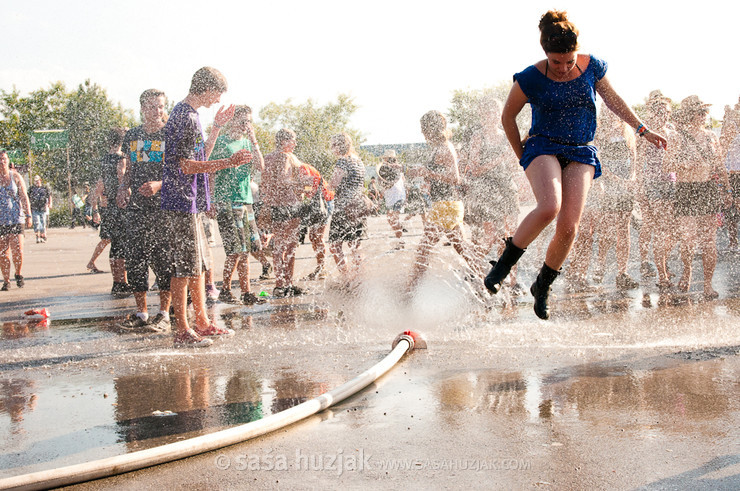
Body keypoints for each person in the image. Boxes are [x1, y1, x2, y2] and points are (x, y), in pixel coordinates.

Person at [484, 10, 667, 319]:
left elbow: (614, 100)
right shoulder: (531, 77)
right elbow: (507, 117)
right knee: (549, 207)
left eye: (569, 61)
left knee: (569, 227)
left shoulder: (592, 66)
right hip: (543, 145)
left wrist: (643, 130)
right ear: (545, 53)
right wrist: (521, 155)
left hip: (581, 150)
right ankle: (502, 266)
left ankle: (542, 285)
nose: (564, 68)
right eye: (556, 62)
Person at [162, 66, 252, 347]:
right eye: (218, 94)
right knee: (183, 267)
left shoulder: (193, 116)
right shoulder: (184, 116)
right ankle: (182, 330)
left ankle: (201, 323)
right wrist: (230, 162)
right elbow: (187, 166)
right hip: (180, 202)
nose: (217, 100)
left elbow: (202, 156)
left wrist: (216, 127)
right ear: (208, 89)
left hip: (191, 202)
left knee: (198, 265)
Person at [114, 89, 173, 332]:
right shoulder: (133, 135)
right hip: (137, 206)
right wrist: (122, 187)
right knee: (136, 257)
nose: (156, 111)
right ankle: (141, 313)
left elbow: (179, 170)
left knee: (163, 257)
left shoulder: (170, 134)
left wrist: (159, 185)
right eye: (151, 106)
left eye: (160, 106)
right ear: (142, 108)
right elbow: (129, 168)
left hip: (162, 206)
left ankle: (164, 313)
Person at [407, 111, 486, 292]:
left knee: (423, 250)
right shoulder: (438, 147)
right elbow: (440, 175)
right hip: (445, 204)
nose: (422, 132)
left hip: (447, 205)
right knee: (463, 249)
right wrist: (425, 177)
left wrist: (426, 173)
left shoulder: (445, 147)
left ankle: (410, 291)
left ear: (432, 128)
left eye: (423, 128)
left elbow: (455, 178)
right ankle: (488, 282)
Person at [664, 95, 730, 299]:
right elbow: (667, 165)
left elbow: (719, 165)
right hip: (686, 189)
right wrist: (685, 165)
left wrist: (727, 190)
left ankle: (708, 285)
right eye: (700, 112)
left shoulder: (711, 136)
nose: (704, 116)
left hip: (708, 189)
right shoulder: (678, 137)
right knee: (689, 238)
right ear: (689, 115)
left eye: (705, 112)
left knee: (709, 240)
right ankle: (687, 272)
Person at [209, 105, 266, 305]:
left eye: (249, 121)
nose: (246, 125)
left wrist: (254, 140)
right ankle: (239, 291)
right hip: (226, 201)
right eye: (242, 121)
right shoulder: (222, 142)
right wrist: (211, 200)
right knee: (236, 250)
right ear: (232, 121)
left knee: (246, 248)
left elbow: (260, 167)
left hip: (245, 200)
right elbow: (211, 171)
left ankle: (235, 290)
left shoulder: (248, 142)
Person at [465, 95, 523, 293]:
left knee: (512, 237)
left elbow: (515, 163)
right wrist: (499, 159)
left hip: (507, 188)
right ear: (483, 114)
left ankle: (512, 281)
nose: (494, 115)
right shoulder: (478, 137)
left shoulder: (507, 133)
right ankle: (474, 271)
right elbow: (474, 169)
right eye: (489, 112)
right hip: (487, 190)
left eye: (497, 111)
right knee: (491, 236)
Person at [592, 104, 639, 290]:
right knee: (607, 229)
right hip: (609, 185)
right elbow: (599, 161)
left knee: (624, 229)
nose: (612, 116)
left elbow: (634, 159)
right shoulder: (601, 133)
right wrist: (616, 180)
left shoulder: (628, 133)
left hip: (626, 185)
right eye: (608, 113)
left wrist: (632, 178)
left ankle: (622, 272)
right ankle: (600, 267)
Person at [260, 129, 308, 298]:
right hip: (290, 204)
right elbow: (282, 180)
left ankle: (280, 284)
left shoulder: (268, 157)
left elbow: (264, 183)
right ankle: (287, 283)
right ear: (284, 141)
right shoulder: (285, 157)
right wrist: (301, 182)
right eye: (292, 140)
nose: (294, 144)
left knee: (279, 245)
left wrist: (267, 204)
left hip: (275, 205)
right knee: (290, 246)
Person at [636, 90, 677, 289]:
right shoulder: (646, 133)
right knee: (658, 227)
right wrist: (640, 186)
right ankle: (661, 274)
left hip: (672, 183)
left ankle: (663, 265)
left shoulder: (672, 131)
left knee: (669, 228)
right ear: (653, 113)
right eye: (661, 111)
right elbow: (639, 160)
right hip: (653, 184)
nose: (665, 115)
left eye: (668, 111)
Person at [88, 127, 130, 295]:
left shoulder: (105, 159)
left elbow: (101, 183)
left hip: (109, 206)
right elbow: (121, 175)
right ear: (122, 141)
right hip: (120, 204)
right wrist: (126, 193)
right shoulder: (121, 158)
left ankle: (116, 282)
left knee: (114, 245)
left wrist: (95, 206)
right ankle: (123, 281)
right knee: (122, 245)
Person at [327, 133, 368, 277]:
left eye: (333, 145)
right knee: (355, 244)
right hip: (358, 206)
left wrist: (324, 185)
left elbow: (333, 184)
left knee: (335, 245)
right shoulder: (358, 161)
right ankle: (360, 277)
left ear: (340, 146)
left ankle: (346, 278)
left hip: (344, 208)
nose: (332, 149)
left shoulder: (342, 162)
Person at [0, 150, 32, 291]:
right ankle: (6, 281)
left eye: (4, 159)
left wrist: (28, 214)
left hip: (16, 218)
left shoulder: (16, 177)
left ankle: (18, 273)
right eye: (0, 160)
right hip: (1, 221)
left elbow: (24, 196)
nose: (2, 162)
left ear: (8, 160)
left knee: (18, 250)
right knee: (3, 252)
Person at [298, 161, 333, 280]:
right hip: (318, 203)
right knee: (313, 236)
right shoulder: (300, 168)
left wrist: (298, 189)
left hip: (324, 202)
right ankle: (320, 267)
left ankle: (322, 268)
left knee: (318, 236)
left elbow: (308, 183)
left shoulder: (301, 167)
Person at [377, 149, 407, 249]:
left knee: (393, 219)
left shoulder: (397, 168)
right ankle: (399, 232)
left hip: (398, 196)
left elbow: (402, 182)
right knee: (391, 219)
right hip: (391, 196)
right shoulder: (385, 169)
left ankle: (400, 241)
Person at [28, 175, 52, 243]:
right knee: (37, 223)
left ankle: (42, 236)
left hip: (43, 208)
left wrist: (50, 203)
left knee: (43, 223)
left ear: (40, 180)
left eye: (37, 181)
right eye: (35, 181)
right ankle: (37, 236)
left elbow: (49, 195)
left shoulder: (45, 188)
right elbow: (28, 197)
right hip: (34, 208)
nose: (36, 182)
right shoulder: (31, 189)